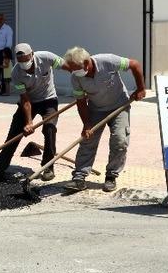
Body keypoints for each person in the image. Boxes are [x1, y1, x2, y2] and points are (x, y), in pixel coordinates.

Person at [0, 43, 71, 182]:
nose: (24, 62)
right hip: (30, 102)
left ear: (32, 54)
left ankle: (48, 167)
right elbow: (25, 99)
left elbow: (68, 67)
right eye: (20, 60)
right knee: (15, 132)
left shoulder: (46, 58)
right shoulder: (16, 73)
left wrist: (82, 81)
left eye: (26, 59)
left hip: (49, 100)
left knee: (49, 129)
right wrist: (29, 122)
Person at [62, 47, 146, 192]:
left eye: (76, 69)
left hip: (120, 106)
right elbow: (81, 102)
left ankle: (111, 176)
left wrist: (140, 88)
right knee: (88, 140)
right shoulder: (76, 77)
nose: (74, 73)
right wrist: (86, 124)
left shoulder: (108, 61)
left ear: (87, 63)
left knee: (120, 140)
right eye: (72, 70)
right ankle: (79, 177)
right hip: (96, 109)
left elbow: (135, 64)